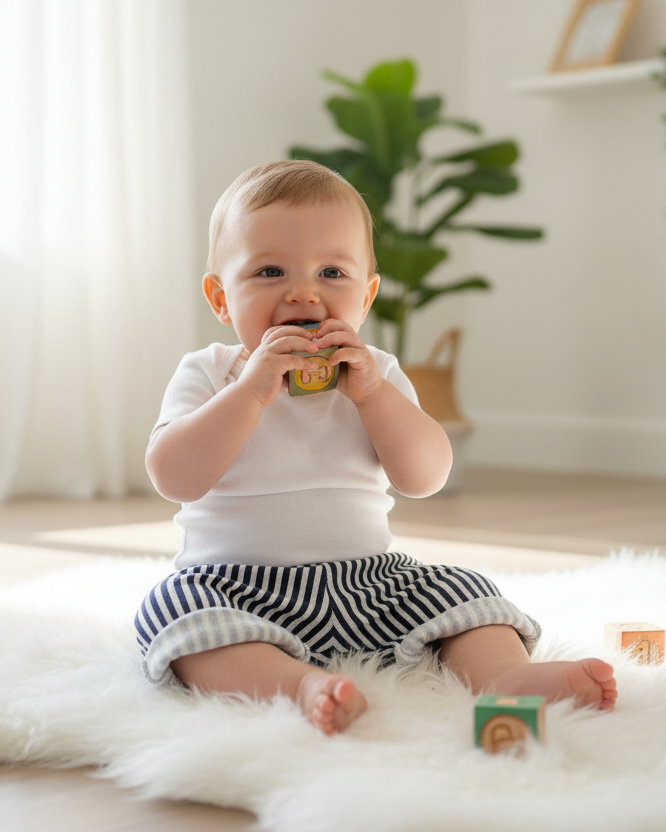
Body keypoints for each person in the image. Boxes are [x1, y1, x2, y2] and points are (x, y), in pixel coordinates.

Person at [135, 160, 617, 735]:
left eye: (332, 273)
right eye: (269, 270)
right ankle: (297, 685)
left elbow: (425, 476)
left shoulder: (377, 375)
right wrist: (248, 393)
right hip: (237, 587)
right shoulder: (211, 374)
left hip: (370, 583)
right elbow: (174, 476)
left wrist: (375, 398)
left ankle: (505, 677)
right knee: (171, 613)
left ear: (365, 297)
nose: (303, 292)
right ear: (221, 298)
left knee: (465, 591)